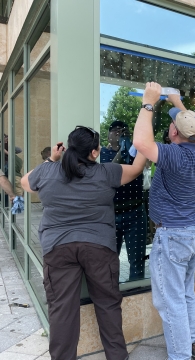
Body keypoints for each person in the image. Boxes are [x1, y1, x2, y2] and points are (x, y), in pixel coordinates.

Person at [21, 126, 146, 360]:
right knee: (108, 305)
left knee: (62, 311)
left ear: (68, 148)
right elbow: (138, 167)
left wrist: (51, 158)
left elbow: (26, 183)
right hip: (99, 248)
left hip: (58, 249)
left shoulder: (47, 171)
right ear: (95, 152)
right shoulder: (107, 172)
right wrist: (145, 140)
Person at [133, 82, 195, 360]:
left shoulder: (174, 155)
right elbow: (190, 123)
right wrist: (176, 101)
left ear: (174, 132)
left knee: (169, 301)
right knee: (184, 291)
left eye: (174, 123)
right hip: (192, 232)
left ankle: (181, 355)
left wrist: (149, 102)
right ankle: (192, 342)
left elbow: (141, 142)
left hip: (174, 237)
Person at [100, 120, 147, 281]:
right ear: (108, 135)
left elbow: (145, 164)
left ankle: (136, 290)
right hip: (111, 215)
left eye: (124, 131)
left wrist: (132, 147)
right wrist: (122, 151)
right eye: (116, 131)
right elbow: (109, 175)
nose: (120, 133)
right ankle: (112, 292)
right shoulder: (102, 154)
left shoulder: (135, 152)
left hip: (135, 213)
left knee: (137, 260)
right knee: (109, 260)